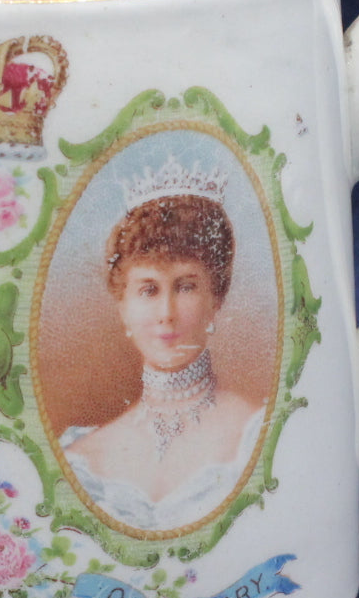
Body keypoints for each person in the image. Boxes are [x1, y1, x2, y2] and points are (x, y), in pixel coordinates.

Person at [60, 158, 265, 531]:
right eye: (148, 290)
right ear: (122, 306)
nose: (166, 314)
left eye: (186, 286)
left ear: (216, 297)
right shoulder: (80, 457)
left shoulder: (256, 433)